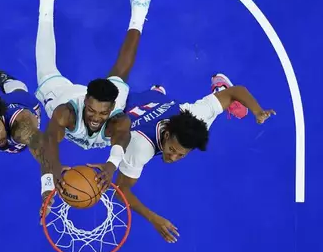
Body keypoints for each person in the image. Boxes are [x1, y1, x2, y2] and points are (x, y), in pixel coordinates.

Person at [27, 0, 152, 207]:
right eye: (92, 111)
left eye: (102, 113)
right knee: (45, 69)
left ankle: (140, 8)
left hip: (105, 101)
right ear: (86, 101)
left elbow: (122, 137)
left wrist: (112, 164)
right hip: (63, 93)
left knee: (120, 73)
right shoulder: (66, 112)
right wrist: (50, 175)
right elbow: (50, 140)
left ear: (112, 109)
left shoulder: (117, 120)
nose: (96, 118)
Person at [110, 74, 276, 242]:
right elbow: (120, 189)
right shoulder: (140, 148)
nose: (173, 157)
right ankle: (212, 95)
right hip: (129, 104)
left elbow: (238, 91)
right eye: (172, 149)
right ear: (166, 134)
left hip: (158, 103)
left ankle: (221, 91)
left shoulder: (194, 114)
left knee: (203, 124)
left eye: (181, 154)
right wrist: (154, 219)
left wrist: (258, 111)